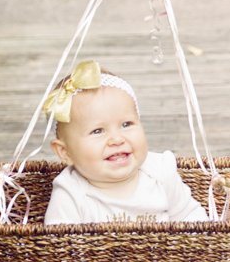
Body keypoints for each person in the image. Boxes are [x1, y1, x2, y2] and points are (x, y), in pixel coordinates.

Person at [43, 60, 210, 225]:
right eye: (97, 131)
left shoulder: (160, 171)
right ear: (65, 152)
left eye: (126, 124)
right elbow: (60, 247)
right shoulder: (70, 193)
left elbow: (189, 215)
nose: (117, 139)